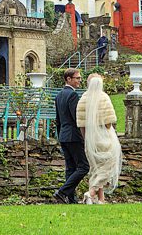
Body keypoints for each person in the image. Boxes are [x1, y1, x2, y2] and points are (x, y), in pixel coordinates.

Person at [76, 73, 122, 204]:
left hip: (90, 138)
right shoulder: (104, 97)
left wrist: (86, 139)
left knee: (96, 168)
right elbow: (109, 123)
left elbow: (81, 124)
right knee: (109, 164)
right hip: (104, 136)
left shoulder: (83, 99)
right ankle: (91, 193)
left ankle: (100, 199)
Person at [54, 68, 88, 204]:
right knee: (84, 167)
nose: (80, 80)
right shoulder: (73, 95)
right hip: (73, 136)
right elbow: (76, 118)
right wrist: (83, 135)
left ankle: (71, 199)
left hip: (63, 135)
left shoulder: (59, 95)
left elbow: (58, 120)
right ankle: (62, 192)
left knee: (70, 168)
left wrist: (60, 136)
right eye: (77, 78)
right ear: (68, 79)